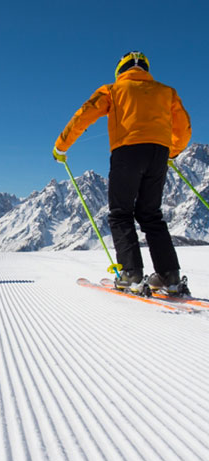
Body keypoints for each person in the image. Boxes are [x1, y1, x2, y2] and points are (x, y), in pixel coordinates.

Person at [53, 51, 191, 294]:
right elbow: (183, 126)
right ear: (145, 69)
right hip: (159, 152)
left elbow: (84, 115)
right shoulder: (166, 92)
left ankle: (131, 273)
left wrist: (61, 146)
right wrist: (173, 151)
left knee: (120, 213)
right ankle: (169, 276)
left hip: (126, 152)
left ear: (121, 70)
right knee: (151, 215)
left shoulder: (112, 90)